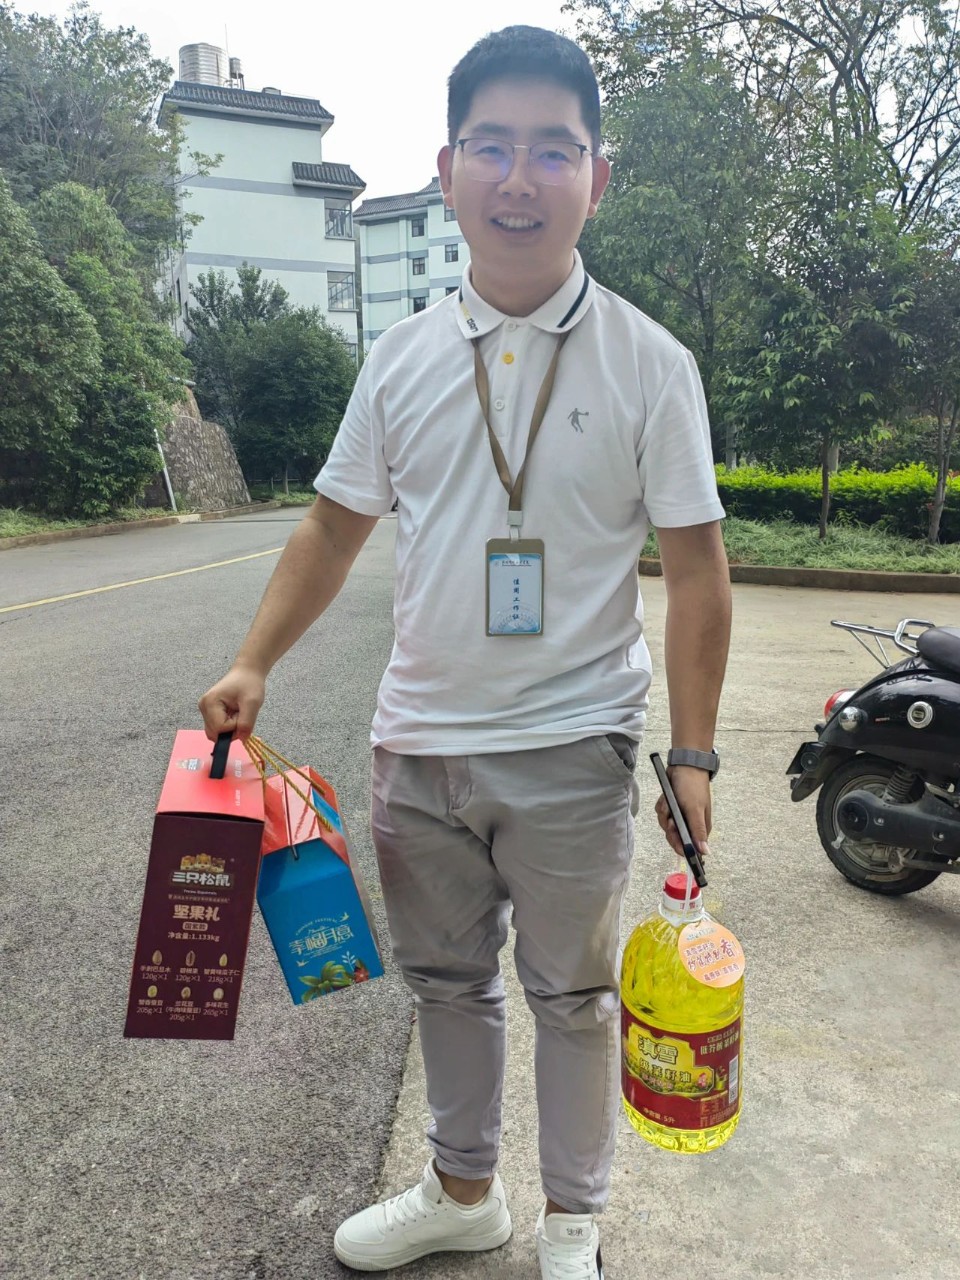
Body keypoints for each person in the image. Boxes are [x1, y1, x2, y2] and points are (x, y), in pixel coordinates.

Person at [199, 24, 731, 1280]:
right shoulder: (400, 360)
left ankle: (575, 1219)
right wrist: (254, 659)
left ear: (598, 176)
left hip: (573, 743)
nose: (520, 176)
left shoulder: (652, 363)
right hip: (420, 744)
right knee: (446, 982)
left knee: (574, 995)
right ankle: (463, 1190)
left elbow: (700, 568)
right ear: (447, 172)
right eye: (491, 146)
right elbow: (333, 527)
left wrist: (695, 751)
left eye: (554, 148)